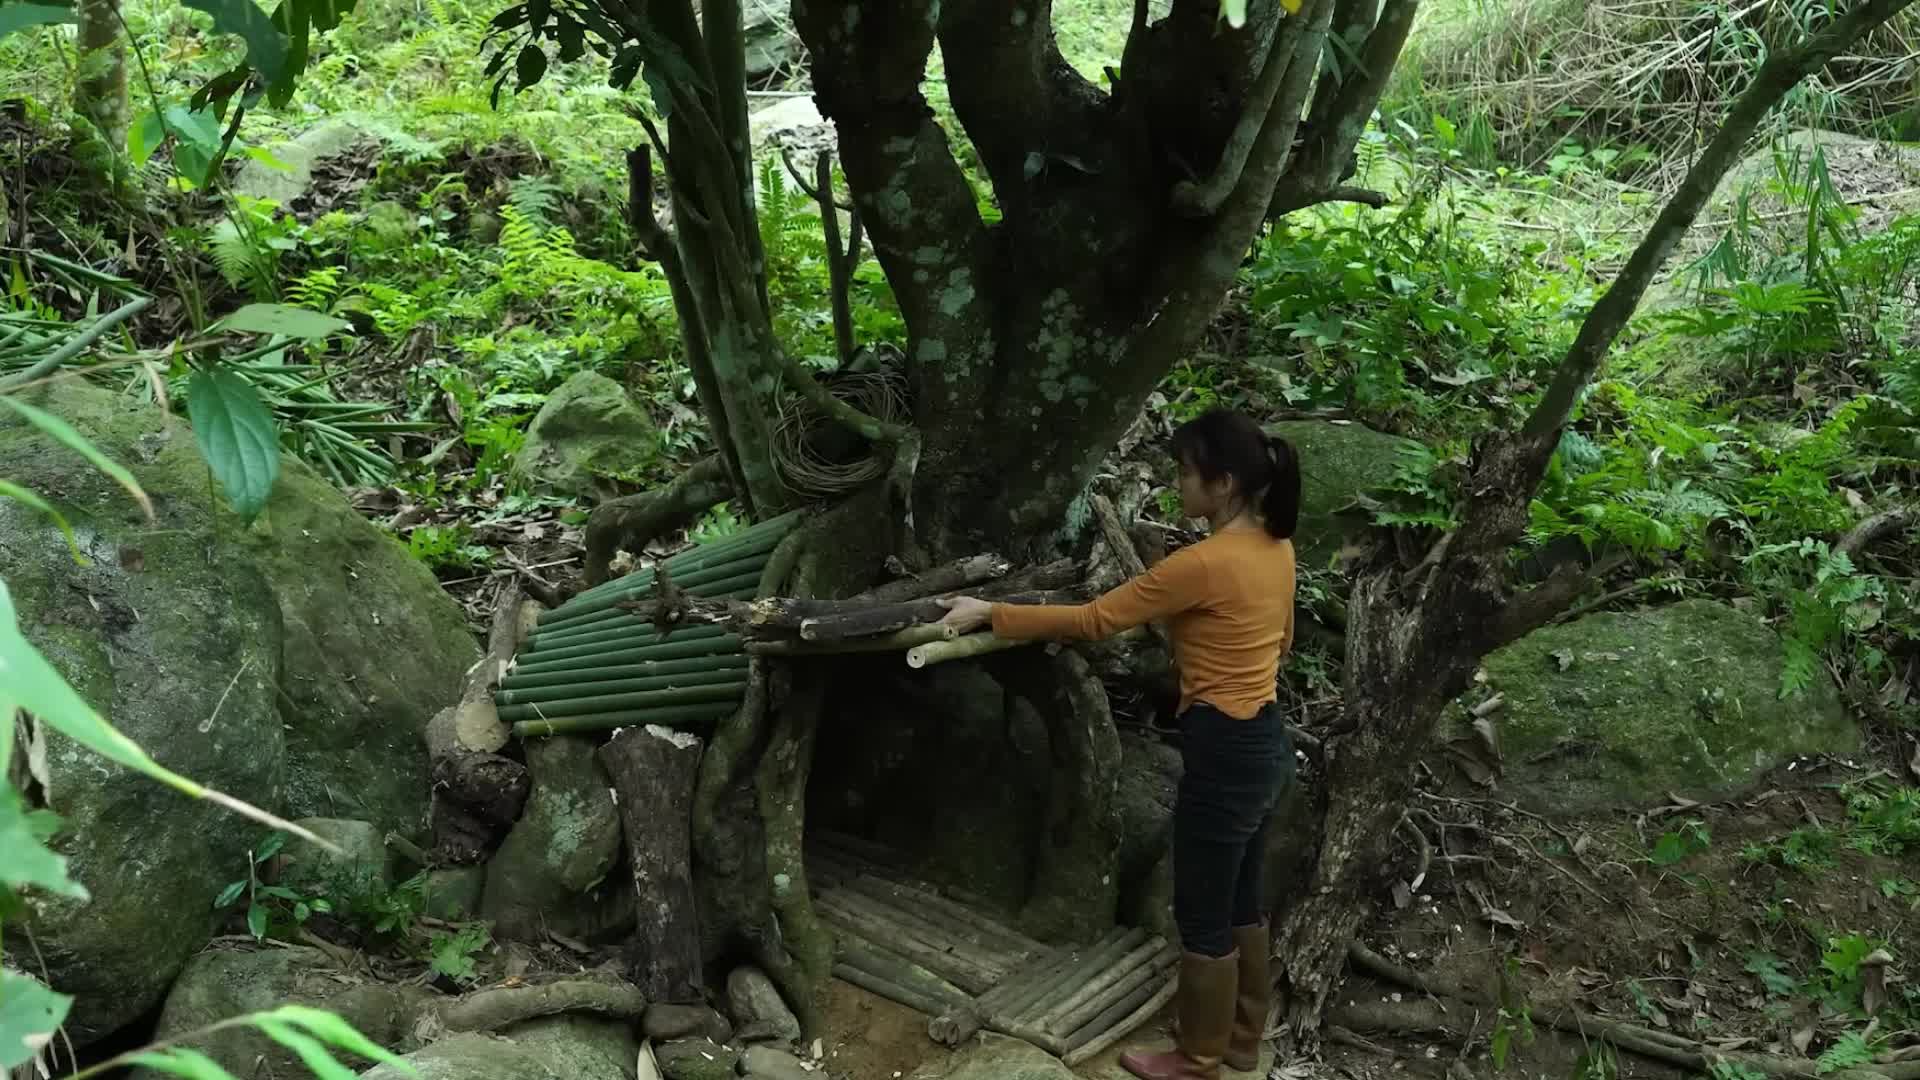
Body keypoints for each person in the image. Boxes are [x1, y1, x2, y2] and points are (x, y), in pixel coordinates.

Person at [938, 407, 1299, 1080]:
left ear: (1222, 485)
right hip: (1265, 742)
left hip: (1223, 751)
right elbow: (1279, 643)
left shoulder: (1204, 563)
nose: (1177, 487)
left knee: (1200, 908)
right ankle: (1242, 1038)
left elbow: (1097, 619)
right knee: (1242, 897)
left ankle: (1198, 1057)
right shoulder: (1276, 549)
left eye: (1186, 474)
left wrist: (991, 611)